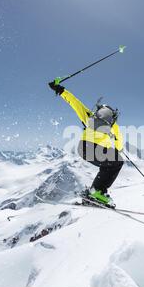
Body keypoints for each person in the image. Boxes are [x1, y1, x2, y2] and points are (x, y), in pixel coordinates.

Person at [49, 80, 124, 208]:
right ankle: (97, 192)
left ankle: (94, 192)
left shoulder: (90, 116)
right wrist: (117, 150)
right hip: (96, 151)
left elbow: (74, 102)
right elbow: (119, 145)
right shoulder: (114, 126)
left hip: (83, 149)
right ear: (114, 117)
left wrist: (60, 90)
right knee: (116, 162)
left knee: (108, 165)